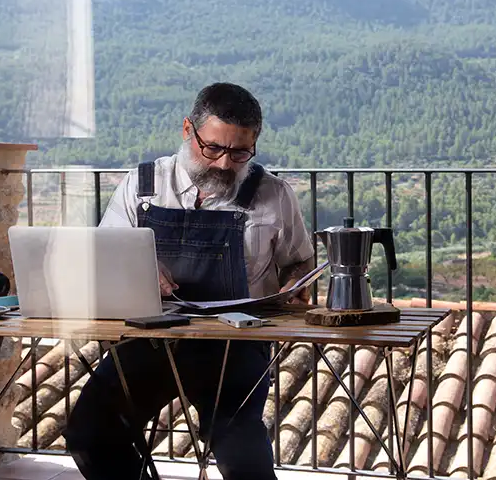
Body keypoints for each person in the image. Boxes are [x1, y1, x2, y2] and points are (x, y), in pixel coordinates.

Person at [63, 82, 316, 480]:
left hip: (236, 346)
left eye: (239, 153)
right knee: (89, 432)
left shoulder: (274, 195)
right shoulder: (143, 186)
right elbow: (104, 257)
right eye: (212, 148)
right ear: (187, 130)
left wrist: (298, 285)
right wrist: (140, 270)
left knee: (241, 457)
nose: (223, 164)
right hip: (151, 341)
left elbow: (299, 263)